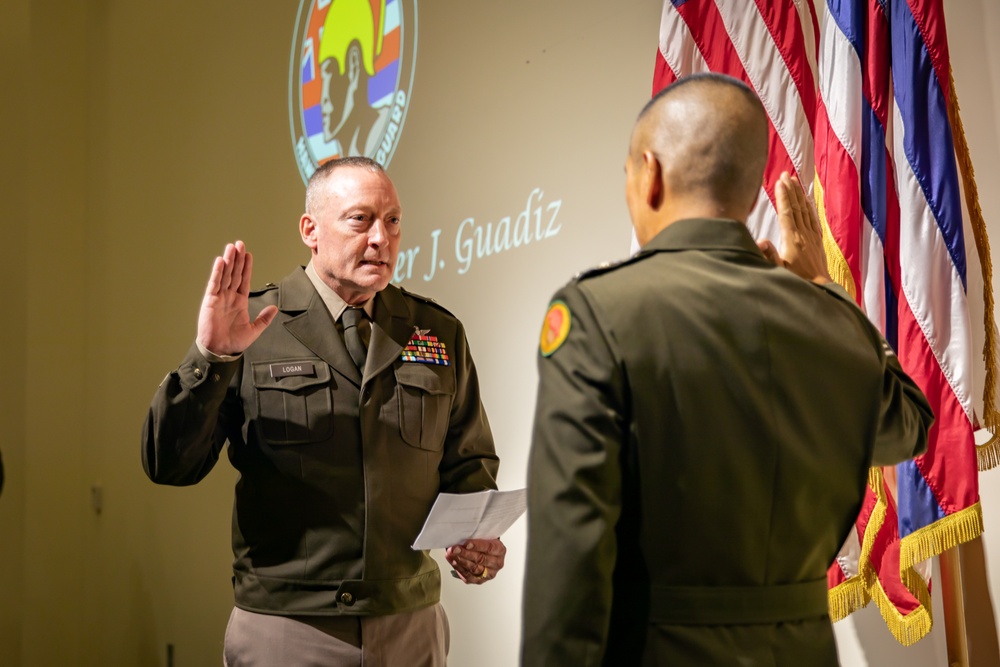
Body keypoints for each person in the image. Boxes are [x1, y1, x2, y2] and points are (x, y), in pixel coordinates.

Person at [520, 73, 934, 666]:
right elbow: (910, 426)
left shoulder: (598, 313)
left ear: (650, 173)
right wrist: (824, 290)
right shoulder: (829, 319)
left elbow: (569, 561)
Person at [143, 156, 505, 666]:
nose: (381, 238)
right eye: (361, 219)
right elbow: (170, 463)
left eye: (393, 221)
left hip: (410, 625)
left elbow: (469, 464)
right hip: (290, 627)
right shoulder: (253, 325)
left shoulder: (436, 331)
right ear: (310, 230)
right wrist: (211, 358)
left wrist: (477, 538)